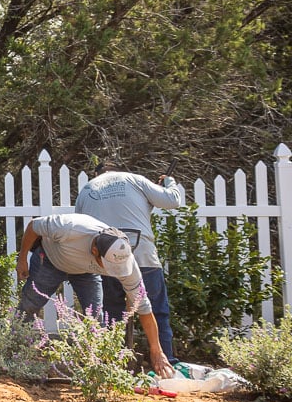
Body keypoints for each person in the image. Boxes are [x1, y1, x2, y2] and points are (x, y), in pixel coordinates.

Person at [16, 212, 176, 379]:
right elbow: (33, 226)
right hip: (51, 261)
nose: (114, 271)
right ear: (94, 250)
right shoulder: (69, 227)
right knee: (29, 305)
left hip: (86, 271)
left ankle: (93, 367)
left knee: (95, 319)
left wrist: (156, 350)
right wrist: (22, 259)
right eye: (109, 265)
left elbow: (143, 307)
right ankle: (13, 349)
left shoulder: (125, 262)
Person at [75, 160, 184, 363]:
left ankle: (113, 365)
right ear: (118, 170)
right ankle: (165, 362)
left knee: (111, 315)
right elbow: (172, 200)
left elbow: (81, 226)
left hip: (107, 261)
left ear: (97, 174)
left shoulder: (87, 189)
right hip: (143, 256)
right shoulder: (135, 180)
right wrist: (169, 182)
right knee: (156, 309)